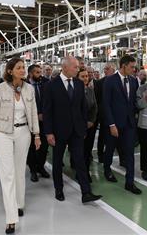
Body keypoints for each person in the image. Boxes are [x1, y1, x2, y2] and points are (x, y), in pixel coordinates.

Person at [0, 58, 41, 234]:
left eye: (24, 67)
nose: (23, 70)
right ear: (10, 71)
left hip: (23, 133)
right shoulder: (0, 89)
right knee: (7, 174)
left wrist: (37, 134)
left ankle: (19, 203)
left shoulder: (29, 89)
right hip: (3, 134)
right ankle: (11, 218)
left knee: (19, 171)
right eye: (19, 68)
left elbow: (33, 113)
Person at [43, 56, 102, 203]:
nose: (78, 69)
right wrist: (48, 132)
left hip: (76, 131)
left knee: (80, 161)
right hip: (58, 131)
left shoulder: (79, 84)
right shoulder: (51, 86)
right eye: (75, 67)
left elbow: (82, 108)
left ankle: (86, 192)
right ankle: (59, 189)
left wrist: (82, 128)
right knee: (57, 161)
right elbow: (47, 111)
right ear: (65, 67)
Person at [103, 55, 142, 195]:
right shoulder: (110, 81)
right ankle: (107, 169)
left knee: (130, 153)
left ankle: (129, 182)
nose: (134, 69)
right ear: (123, 65)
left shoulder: (133, 81)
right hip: (114, 123)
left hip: (129, 123)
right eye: (132, 66)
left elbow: (133, 102)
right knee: (110, 148)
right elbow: (106, 104)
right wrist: (111, 124)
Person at [26, 64, 50, 182]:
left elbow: (49, 100)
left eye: (40, 72)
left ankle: (41, 167)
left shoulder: (45, 83)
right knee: (32, 147)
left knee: (44, 146)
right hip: (29, 121)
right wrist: (35, 115)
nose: (40, 74)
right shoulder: (23, 85)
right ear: (30, 74)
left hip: (44, 121)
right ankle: (33, 170)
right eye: (37, 72)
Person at [94, 62, 119, 163]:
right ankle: (100, 155)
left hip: (116, 114)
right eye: (104, 69)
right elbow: (98, 99)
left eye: (107, 68)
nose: (105, 70)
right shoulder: (100, 82)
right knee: (102, 136)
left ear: (113, 69)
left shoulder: (118, 81)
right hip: (103, 115)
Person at [78, 67, 98, 182]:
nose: (85, 78)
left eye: (86, 76)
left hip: (90, 126)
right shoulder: (74, 91)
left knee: (87, 150)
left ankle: (85, 171)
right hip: (79, 126)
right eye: (83, 76)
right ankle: (81, 173)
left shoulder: (90, 90)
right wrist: (82, 123)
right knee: (79, 150)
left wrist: (91, 121)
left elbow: (95, 107)